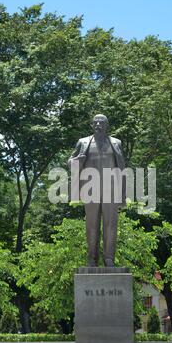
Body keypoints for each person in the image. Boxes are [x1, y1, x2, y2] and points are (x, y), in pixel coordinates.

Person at [68, 114, 126, 267]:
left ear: (107, 125)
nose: (98, 124)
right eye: (96, 122)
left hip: (111, 189)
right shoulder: (83, 142)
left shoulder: (116, 143)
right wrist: (76, 161)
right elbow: (70, 162)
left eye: (102, 122)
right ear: (92, 125)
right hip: (90, 188)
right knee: (91, 224)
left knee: (111, 225)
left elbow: (122, 167)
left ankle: (109, 259)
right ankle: (92, 258)